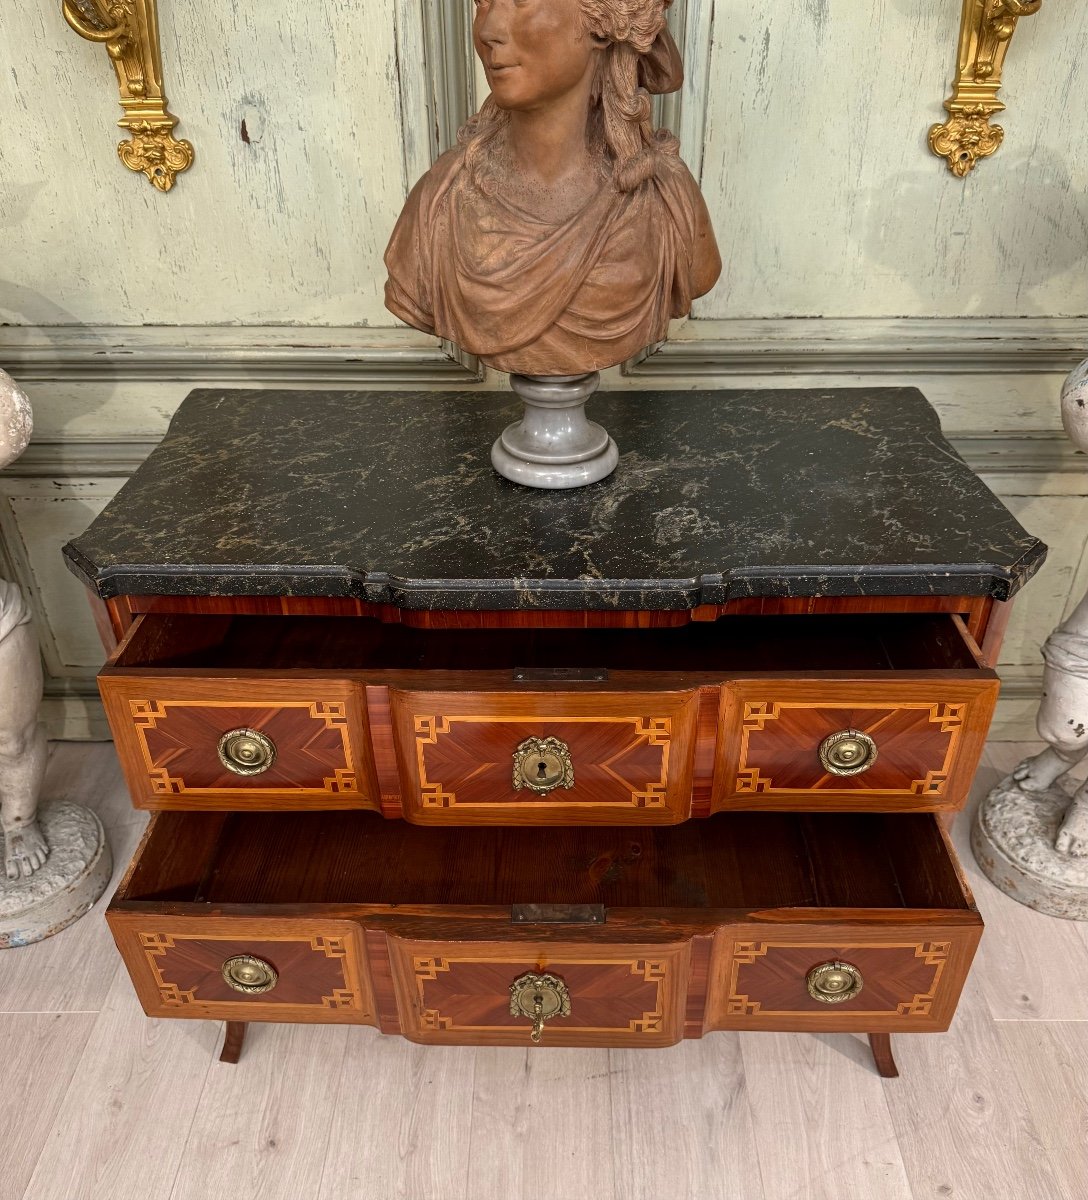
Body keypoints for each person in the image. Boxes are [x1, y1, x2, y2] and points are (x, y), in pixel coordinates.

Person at [385, 0, 721, 377]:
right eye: (482, 3)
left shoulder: (665, 201)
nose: (487, 30)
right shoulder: (441, 201)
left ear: (601, 23)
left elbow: (700, 275)